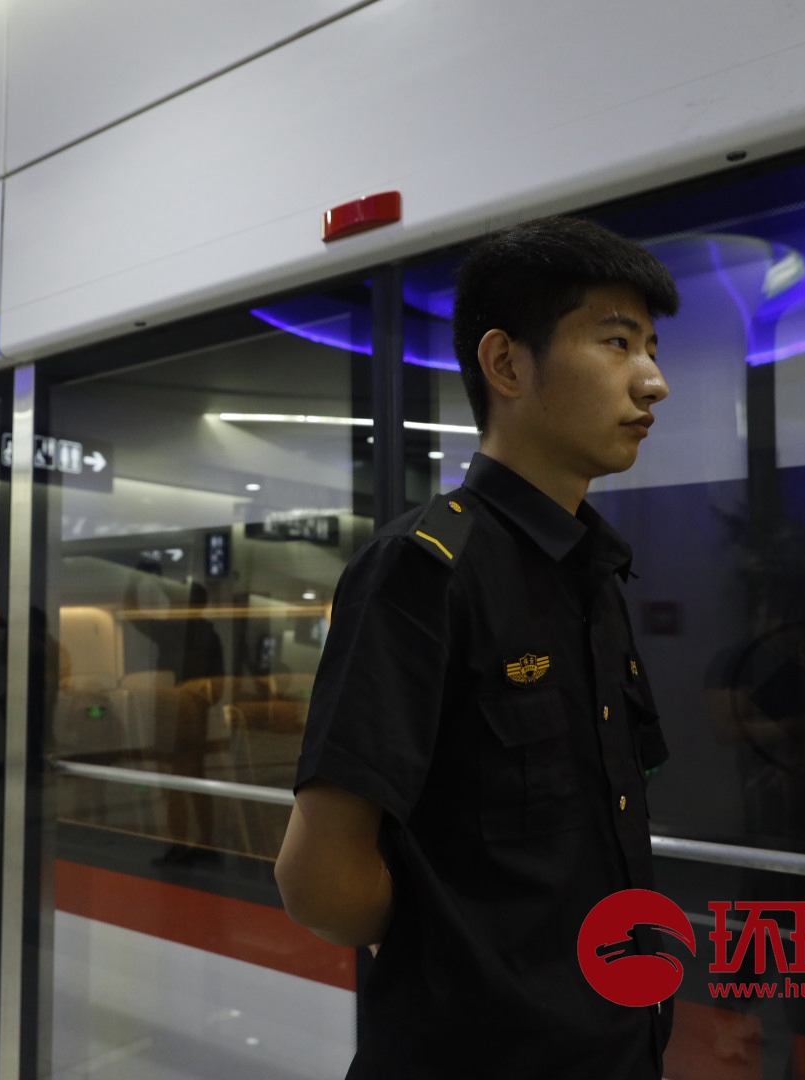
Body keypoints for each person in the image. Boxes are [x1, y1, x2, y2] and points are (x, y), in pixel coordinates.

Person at [275, 216, 680, 1079]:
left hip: (617, 1047)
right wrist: (466, 958)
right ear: (507, 364)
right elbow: (321, 880)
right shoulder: (424, 571)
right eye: (616, 342)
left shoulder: (594, 576)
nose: (653, 381)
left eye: (650, 347)